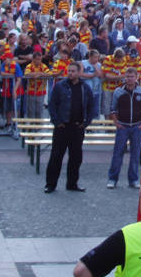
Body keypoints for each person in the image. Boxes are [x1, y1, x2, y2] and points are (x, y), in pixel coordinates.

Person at [45, 61, 97, 193]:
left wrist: (86, 123)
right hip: (62, 127)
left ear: (79, 72)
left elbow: (91, 106)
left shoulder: (85, 88)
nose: (70, 73)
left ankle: (72, 183)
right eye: (69, 71)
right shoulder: (60, 86)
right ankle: (50, 184)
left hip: (77, 127)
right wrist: (56, 122)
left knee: (76, 158)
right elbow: (52, 105)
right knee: (56, 157)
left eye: (73, 71)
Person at [107, 67, 141, 189]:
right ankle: (112, 179)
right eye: (127, 77)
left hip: (136, 126)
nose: (129, 79)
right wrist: (116, 123)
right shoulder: (118, 92)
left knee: (135, 154)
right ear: (124, 78)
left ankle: (133, 179)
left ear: (136, 78)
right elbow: (113, 109)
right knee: (118, 153)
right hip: (123, 126)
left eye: (132, 77)